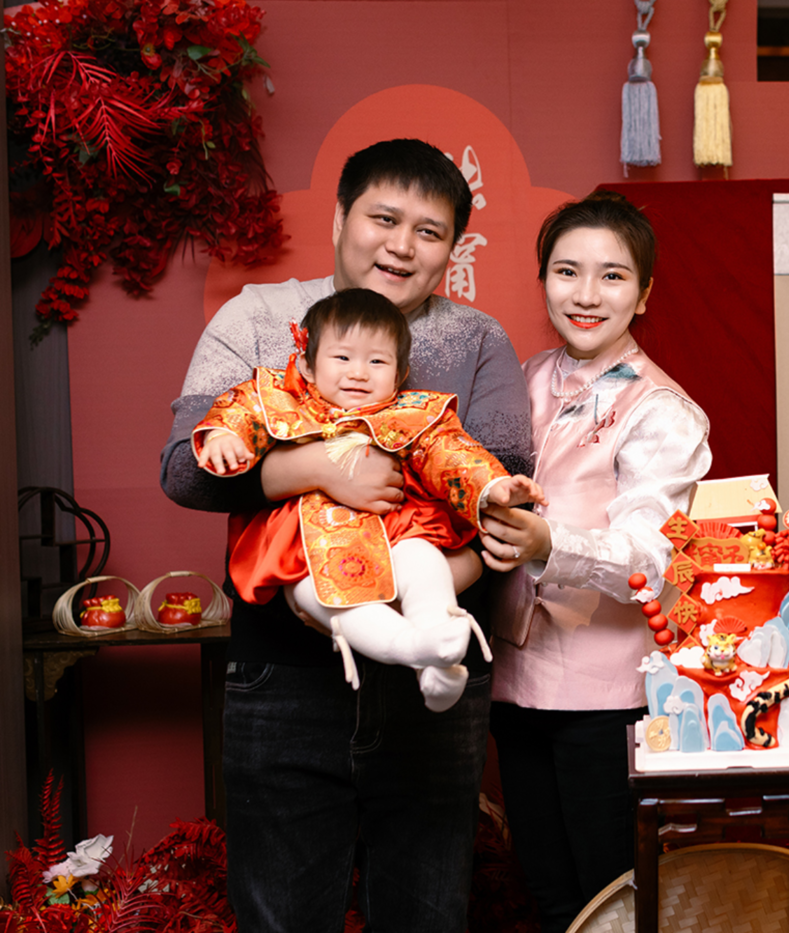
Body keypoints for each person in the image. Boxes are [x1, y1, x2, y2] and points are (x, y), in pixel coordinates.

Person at [160, 138, 531, 932]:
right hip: (285, 671)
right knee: (282, 915)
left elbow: (498, 494)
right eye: (383, 219)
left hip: (433, 672)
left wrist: (421, 583)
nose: (402, 246)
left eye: (429, 231)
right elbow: (185, 470)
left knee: (427, 913)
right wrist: (321, 468)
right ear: (339, 218)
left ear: (453, 249)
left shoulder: (477, 340)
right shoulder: (258, 318)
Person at [477, 191, 712, 933]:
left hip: (606, 694)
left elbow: (654, 554)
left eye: (612, 276)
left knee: (613, 899)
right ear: (543, 280)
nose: (585, 294)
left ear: (643, 293)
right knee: (549, 896)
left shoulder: (662, 410)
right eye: (566, 271)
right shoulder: (521, 377)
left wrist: (549, 544)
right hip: (512, 683)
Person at [194, 288, 545, 711]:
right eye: (342, 358)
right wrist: (223, 435)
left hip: (397, 526)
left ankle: (439, 646)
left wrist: (492, 487)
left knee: (424, 560)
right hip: (307, 540)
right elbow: (240, 409)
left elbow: (451, 452)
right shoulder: (279, 399)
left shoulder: (413, 414)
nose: (359, 373)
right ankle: (412, 649)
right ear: (307, 365)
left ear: (399, 375)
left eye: (377, 362)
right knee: (323, 596)